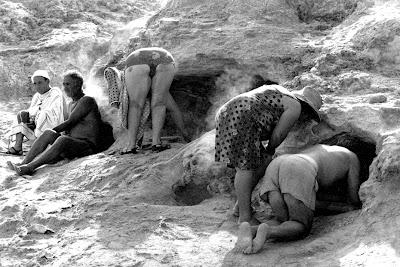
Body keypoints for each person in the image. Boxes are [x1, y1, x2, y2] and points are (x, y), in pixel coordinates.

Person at [215, 84, 323, 224]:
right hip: (242, 115)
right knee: (245, 169)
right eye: (308, 113)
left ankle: (239, 208)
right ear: (305, 106)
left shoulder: (280, 93)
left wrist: (267, 154)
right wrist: (271, 150)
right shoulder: (295, 106)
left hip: (228, 112)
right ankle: (245, 218)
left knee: (256, 165)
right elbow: (279, 134)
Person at [233, 144, 361, 254]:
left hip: (277, 164)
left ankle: (252, 230)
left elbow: (309, 199)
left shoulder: (320, 149)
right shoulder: (352, 158)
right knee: (300, 225)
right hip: (299, 168)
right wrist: (343, 206)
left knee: (285, 221)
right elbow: (354, 200)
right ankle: (267, 232)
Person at [7, 70, 104, 176]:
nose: (65, 88)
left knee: (62, 139)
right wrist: (47, 133)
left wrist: (55, 132)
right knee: (48, 133)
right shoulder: (71, 103)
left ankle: (30, 167)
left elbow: (70, 122)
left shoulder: (87, 100)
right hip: (73, 145)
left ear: (78, 85)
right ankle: (23, 163)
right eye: (64, 84)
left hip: (87, 147)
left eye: (68, 84)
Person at [103, 47, 190, 154]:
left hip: (136, 60)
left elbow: (133, 104)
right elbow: (174, 109)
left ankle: (131, 146)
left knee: (135, 105)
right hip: (165, 58)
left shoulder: (127, 78)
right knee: (159, 103)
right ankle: (156, 143)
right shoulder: (163, 92)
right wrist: (186, 135)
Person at [6, 70, 67, 155]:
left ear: (47, 81)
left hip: (54, 127)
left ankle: (41, 146)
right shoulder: (36, 96)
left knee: (43, 114)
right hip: (38, 123)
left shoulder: (55, 92)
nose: (37, 86)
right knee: (22, 114)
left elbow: (55, 113)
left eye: (40, 83)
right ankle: (18, 146)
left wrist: (37, 115)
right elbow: (31, 111)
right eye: (35, 83)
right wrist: (32, 118)